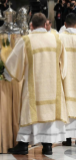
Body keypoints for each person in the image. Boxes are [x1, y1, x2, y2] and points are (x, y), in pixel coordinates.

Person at [6, 13, 68, 155]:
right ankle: (48, 146)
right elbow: (64, 64)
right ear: (46, 24)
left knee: (30, 112)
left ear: (31, 25)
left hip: (34, 86)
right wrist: (61, 75)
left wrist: (8, 75)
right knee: (50, 113)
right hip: (52, 86)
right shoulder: (56, 39)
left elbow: (14, 61)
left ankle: (22, 145)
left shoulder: (27, 40)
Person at [59, 13, 76, 146]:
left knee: (66, 104)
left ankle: (67, 138)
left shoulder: (60, 37)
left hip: (65, 77)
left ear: (65, 25)